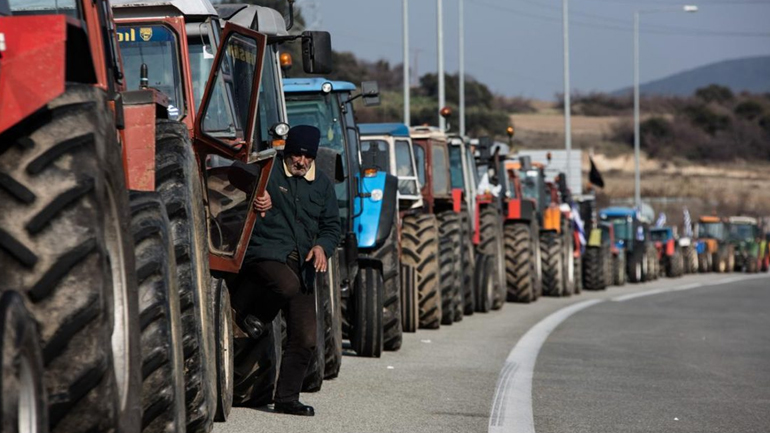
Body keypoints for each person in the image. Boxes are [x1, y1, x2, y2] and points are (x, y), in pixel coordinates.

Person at [234, 125, 341, 416]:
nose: (301, 161)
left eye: (307, 157)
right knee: (286, 285)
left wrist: (322, 247)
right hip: (267, 254)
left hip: (303, 264)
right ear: (287, 151)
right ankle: (250, 314)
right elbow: (236, 173)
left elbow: (332, 227)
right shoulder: (268, 170)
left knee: (306, 338)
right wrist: (257, 194)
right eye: (296, 154)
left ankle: (286, 399)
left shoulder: (322, 185)